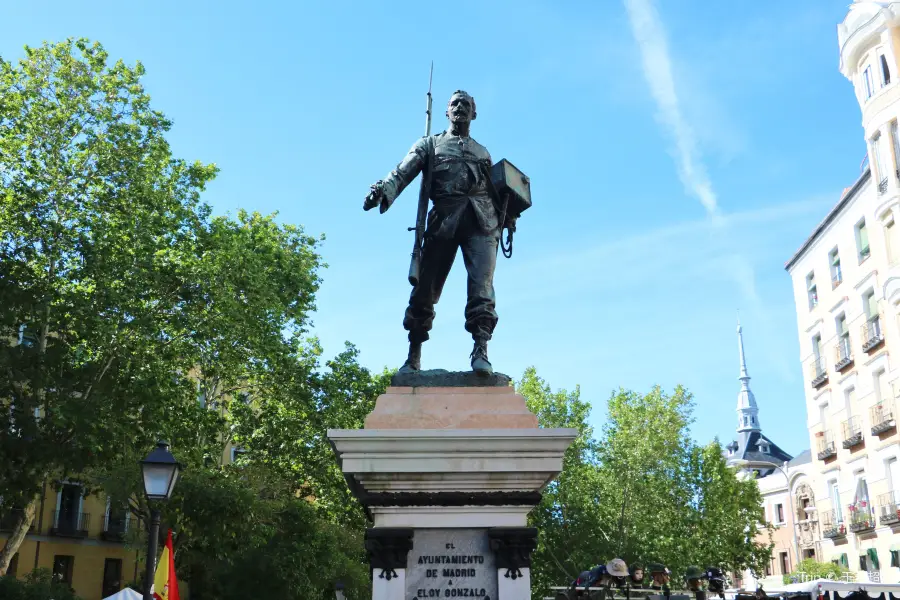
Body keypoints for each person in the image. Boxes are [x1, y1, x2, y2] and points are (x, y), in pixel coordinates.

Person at [364, 90, 514, 375]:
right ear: (446, 112)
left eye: (466, 104)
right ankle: (414, 354)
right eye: (454, 103)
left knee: (482, 290)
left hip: (482, 223)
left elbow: (495, 191)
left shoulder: (483, 152)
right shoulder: (429, 144)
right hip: (443, 219)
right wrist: (382, 191)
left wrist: (508, 215)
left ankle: (481, 350)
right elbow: (401, 172)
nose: (460, 107)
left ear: (474, 113)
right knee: (424, 290)